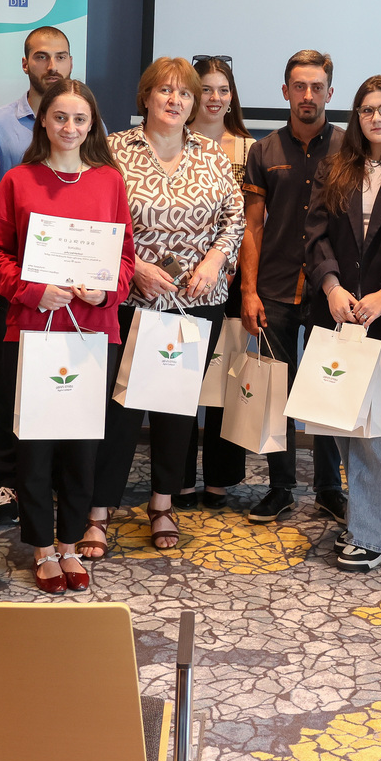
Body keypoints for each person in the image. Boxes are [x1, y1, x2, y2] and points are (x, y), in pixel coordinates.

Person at [0, 79, 135, 594]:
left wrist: (105, 292)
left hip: (93, 333)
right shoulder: (18, 180)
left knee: (82, 447)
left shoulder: (109, 181)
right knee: (35, 447)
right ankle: (41, 548)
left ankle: (70, 544)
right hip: (33, 330)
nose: (70, 127)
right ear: (43, 121)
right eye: (60, 117)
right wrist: (32, 291)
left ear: (93, 126)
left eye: (80, 119)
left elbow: (126, 259)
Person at [92, 59, 244, 551]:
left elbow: (234, 217)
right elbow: (97, 219)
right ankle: (99, 509)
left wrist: (215, 261)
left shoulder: (212, 154)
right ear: (146, 96)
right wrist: (133, 266)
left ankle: (163, 504)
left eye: (185, 93)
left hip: (196, 303)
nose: (175, 101)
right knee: (119, 409)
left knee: (176, 409)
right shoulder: (113, 149)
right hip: (130, 299)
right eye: (165, 91)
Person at [307, 76, 381, 571]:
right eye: (367, 110)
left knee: (377, 431)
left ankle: (374, 535)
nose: (376, 118)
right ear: (356, 117)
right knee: (343, 422)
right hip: (339, 314)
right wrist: (331, 286)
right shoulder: (335, 168)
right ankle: (366, 518)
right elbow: (314, 235)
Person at [0, 25, 78, 526]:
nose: (51, 65)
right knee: (8, 385)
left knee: (62, 383)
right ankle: (6, 481)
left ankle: (51, 479)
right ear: (25, 63)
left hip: (75, 289)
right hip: (15, 283)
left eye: (61, 56)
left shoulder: (83, 121)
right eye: (41, 56)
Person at [240, 50, 347, 524]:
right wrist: (248, 291)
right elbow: (252, 227)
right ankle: (280, 487)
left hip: (331, 291)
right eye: (299, 86)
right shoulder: (263, 151)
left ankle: (329, 489)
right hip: (275, 289)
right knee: (275, 393)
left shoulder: (348, 148)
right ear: (285, 92)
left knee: (328, 392)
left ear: (330, 92)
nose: (308, 95)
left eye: (317, 87)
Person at [177, 54, 255, 510]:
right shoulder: (171, 140)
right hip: (182, 284)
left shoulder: (248, 148)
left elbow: (252, 222)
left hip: (233, 282)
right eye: (205, 88)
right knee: (180, 376)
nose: (214, 97)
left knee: (227, 380)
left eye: (223, 90)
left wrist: (234, 268)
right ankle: (179, 477)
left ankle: (220, 478)